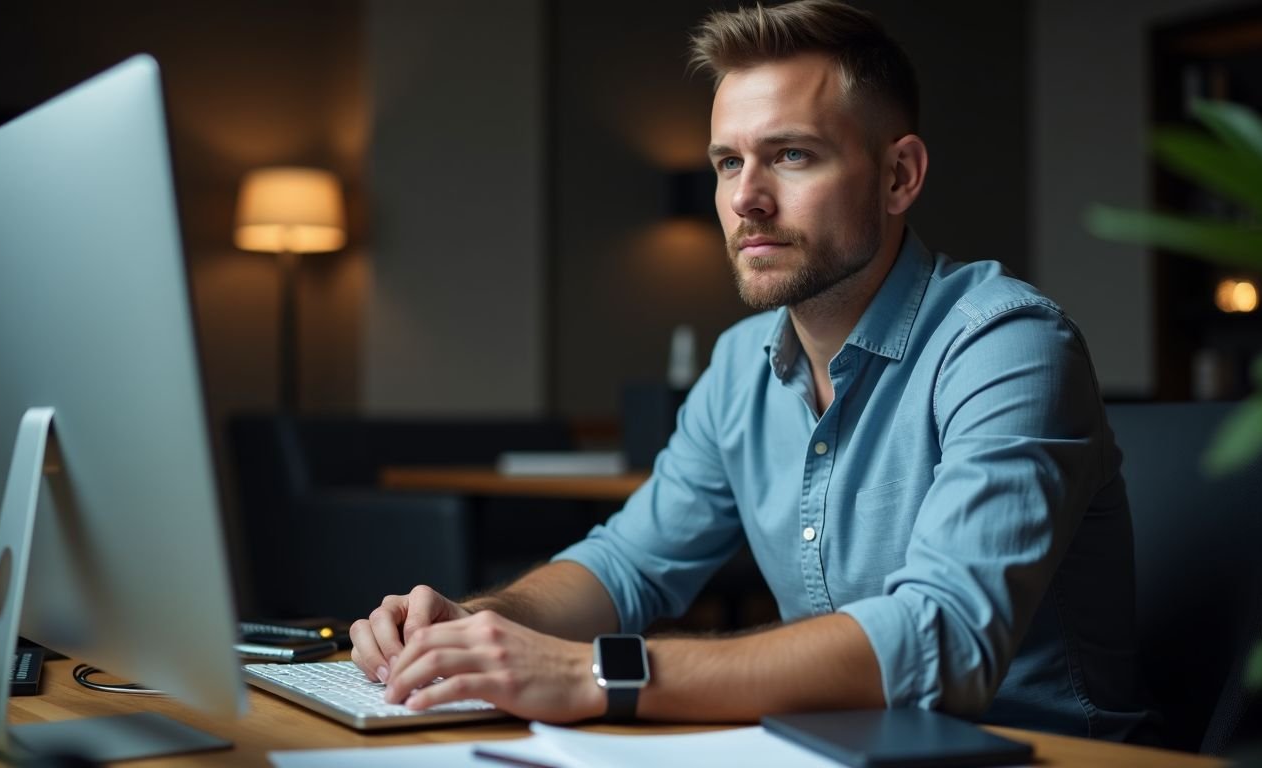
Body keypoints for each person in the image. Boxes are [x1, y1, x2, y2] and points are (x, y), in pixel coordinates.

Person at [350, 0, 1149, 740]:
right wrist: (471, 626)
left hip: (1034, 754)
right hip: (832, 749)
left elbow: (946, 640)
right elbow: (627, 568)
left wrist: (596, 671)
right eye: (728, 163)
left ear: (900, 175)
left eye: (791, 155)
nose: (746, 200)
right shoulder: (741, 363)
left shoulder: (1007, 344)